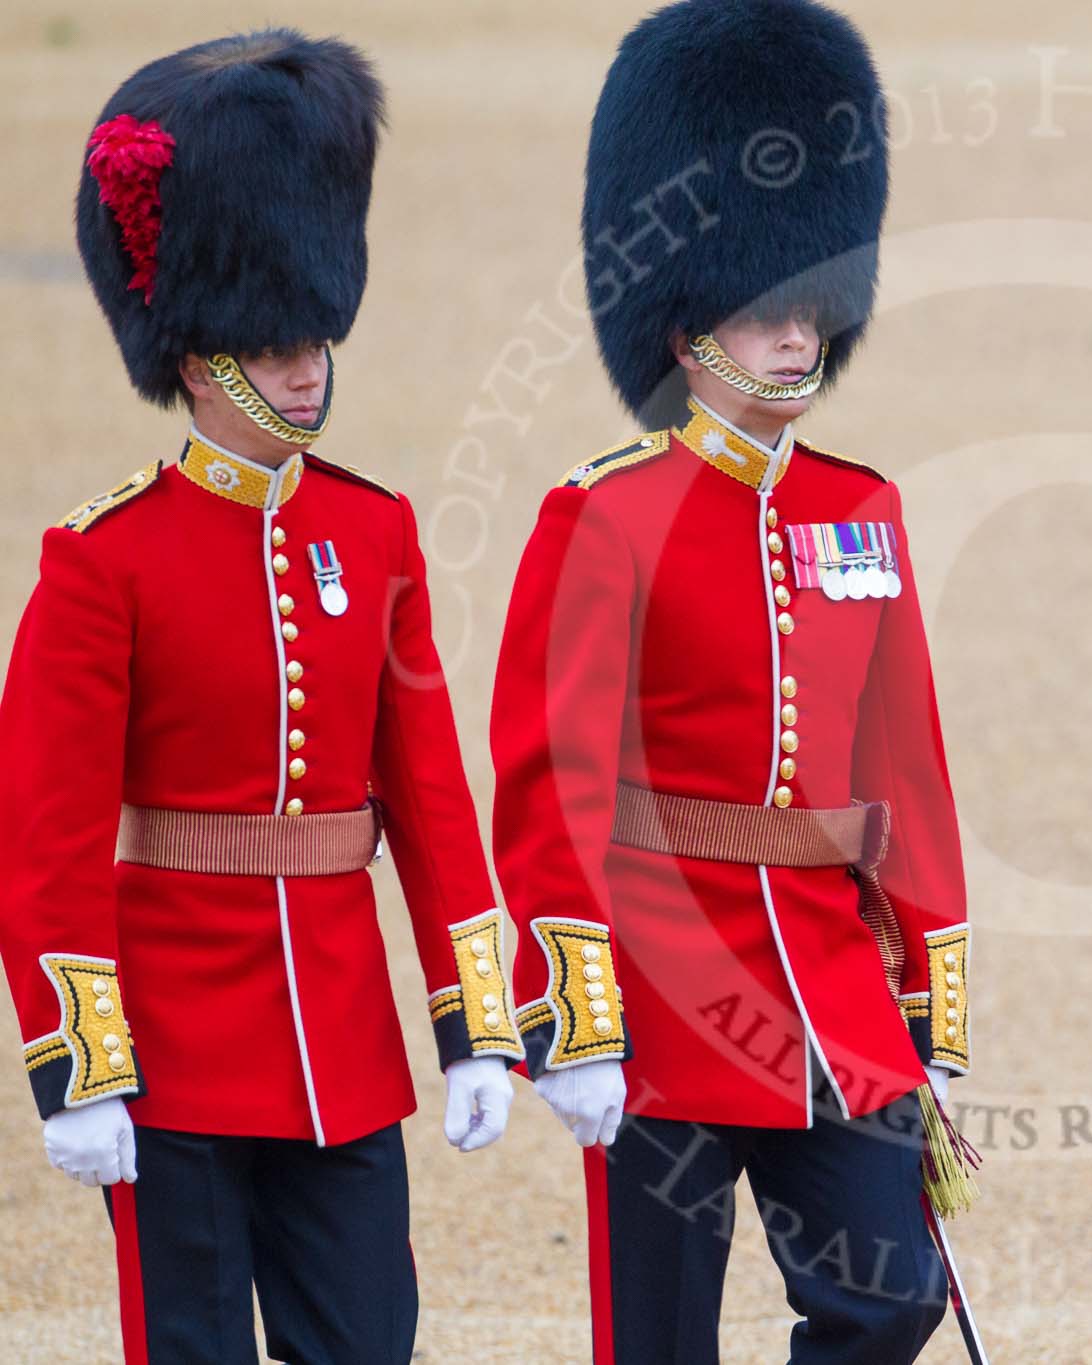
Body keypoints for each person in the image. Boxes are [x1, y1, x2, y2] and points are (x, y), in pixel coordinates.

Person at [0, 30, 515, 1362]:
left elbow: (431, 800)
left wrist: (475, 1024)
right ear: (197, 355)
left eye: (311, 339)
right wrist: (78, 1063)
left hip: (340, 1047)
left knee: (368, 1342)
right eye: (272, 344)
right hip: (171, 1063)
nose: (305, 368)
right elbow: (47, 839)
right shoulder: (103, 560)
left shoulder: (375, 533)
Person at [490, 2, 982, 1360]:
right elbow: (549, 779)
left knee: (890, 1297)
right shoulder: (604, 515)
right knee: (659, 1340)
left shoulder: (860, 507)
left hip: (834, 992)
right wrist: (573, 1011)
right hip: (657, 987)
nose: (796, 336)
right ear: (689, 321)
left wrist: (929, 1002)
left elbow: (906, 774)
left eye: (812, 303)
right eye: (765, 308)